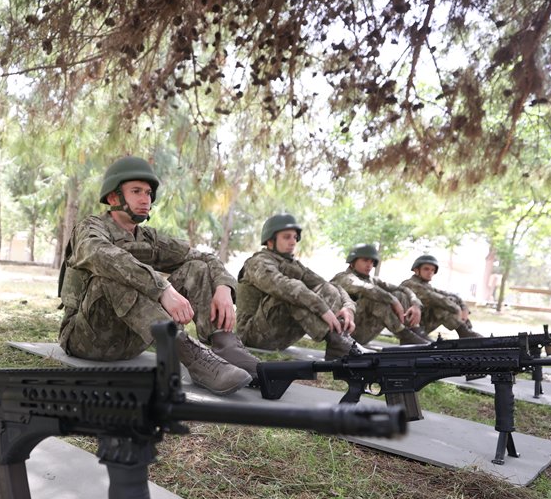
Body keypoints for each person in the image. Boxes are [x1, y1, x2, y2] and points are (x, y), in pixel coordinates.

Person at [58, 155, 260, 395]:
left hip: (133, 342)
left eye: (148, 193)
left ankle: (224, 346)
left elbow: (204, 257)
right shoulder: (91, 228)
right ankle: (193, 358)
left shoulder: (148, 238)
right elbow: (101, 255)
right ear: (113, 197)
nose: (146, 199)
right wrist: (162, 289)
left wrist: (224, 287)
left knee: (197, 268)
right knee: (112, 273)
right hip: (88, 338)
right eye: (136, 191)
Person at [236, 214, 369, 360]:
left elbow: (330, 285)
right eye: (287, 237)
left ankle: (339, 341)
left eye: (295, 237)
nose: (293, 242)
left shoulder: (292, 265)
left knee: (327, 289)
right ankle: (336, 340)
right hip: (252, 337)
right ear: (270, 240)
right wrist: (322, 308)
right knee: (294, 291)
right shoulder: (257, 262)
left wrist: (348, 307)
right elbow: (284, 287)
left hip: (277, 336)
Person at [330, 244, 431, 346]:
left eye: (372, 262)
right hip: (344, 333)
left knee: (400, 295)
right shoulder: (343, 277)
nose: (369, 265)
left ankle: (412, 331)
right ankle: (405, 335)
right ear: (353, 261)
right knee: (376, 298)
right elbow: (366, 289)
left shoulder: (373, 280)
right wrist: (393, 300)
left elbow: (403, 289)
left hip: (364, 331)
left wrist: (415, 304)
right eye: (365, 260)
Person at [402, 254, 482, 338]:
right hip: (409, 325)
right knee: (441, 305)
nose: (430, 272)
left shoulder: (427, 286)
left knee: (450, 300)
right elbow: (434, 298)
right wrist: (456, 309)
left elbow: (450, 295)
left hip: (421, 323)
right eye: (426, 269)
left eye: (433, 270)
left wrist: (464, 307)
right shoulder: (409, 284)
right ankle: (464, 332)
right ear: (416, 270)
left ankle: (467, 331)